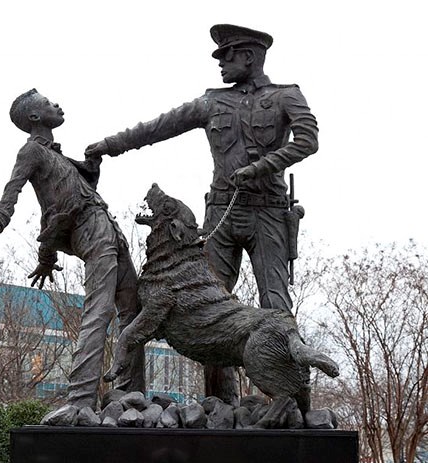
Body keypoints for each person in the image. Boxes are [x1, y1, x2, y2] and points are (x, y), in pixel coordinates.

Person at [85, 24, 319, 403]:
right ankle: (220, 404)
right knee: (209, 308)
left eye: (228, 56)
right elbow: (159, 126)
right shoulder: (212, 102)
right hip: (220, 218)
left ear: (249, 56)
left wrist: (262, 167)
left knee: (275, 303)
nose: (221, 64)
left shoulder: (286, 96)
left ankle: (294, 399)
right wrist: (111, 145)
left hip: (269, 214)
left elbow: (309, 141)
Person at [0, 89, 144, 420]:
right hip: (91, 230)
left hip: (109, 229)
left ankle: (129, 392)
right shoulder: (31, 151)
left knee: (133, 311)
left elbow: (68, 194)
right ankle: (81, 397)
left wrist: (91, 166)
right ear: (35, 117)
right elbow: (12, 191)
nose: (57, 105)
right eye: (49, 104)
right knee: (99, 309)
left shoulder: (60, 156)